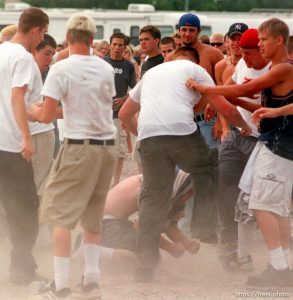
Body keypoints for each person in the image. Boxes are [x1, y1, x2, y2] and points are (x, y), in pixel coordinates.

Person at [119, 46, 251, 282]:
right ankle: (203, 228)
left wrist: (144, 134)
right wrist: (244, 126)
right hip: (181, 132)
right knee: (208, 166)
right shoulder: (195, 69)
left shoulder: (152, 73)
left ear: (171, 57)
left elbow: (124, 114)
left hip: (150, 137)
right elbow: (226, 108)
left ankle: (146, 264)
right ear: (196, 62)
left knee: (153, 198)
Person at [186, 18, 293, 288]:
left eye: (263, 41)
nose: (260, 45)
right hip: (274, 143)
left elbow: (246, 88)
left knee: (261, 205)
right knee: (274, 207)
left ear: (279, 40)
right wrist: (233, 100)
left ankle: (279, 267)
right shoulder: (283, 68)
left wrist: (205, 88)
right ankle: (283, 264)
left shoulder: (282, 68)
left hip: (278, 145)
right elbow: (249, 97)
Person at [29, 13, 116, 299]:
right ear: (92, 40)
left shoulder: (61, 69)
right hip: (107, 148)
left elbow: (45, 115)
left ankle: (61, 286)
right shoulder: (104, 68)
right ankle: (92, 281)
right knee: (93, 216)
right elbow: (96, 105)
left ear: (68, 38)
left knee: (60, 217)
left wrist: (27, 107)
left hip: (78, 147)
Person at [214, 29, 270, 270]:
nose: (244, 58)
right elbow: (227, 88)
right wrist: (214, 102)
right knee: (226, 190)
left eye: (249, 53)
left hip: (261, 141)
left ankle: (266, 254)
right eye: (242, 53)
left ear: (262, 49)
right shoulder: (241, 66)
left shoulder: (274, 69)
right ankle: (229, 246)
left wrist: (218, 95)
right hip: (236, 138)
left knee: (254, 199)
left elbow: (237, 95)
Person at [0, 7, 48, 285]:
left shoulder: (1, 50)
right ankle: (21, 269)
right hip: (10, 144)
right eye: (42, 34)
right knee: (26, 208)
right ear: (36, 30)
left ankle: (20, 265)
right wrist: (27, 137)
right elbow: (18, 97)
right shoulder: (23, 58)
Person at [166, 13, 224, 242]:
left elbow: (222, 88)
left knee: (209, 174)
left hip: (207, 122)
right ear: (178, 31)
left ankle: (209, 227)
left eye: (191, 30)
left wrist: (220, 119)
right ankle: (187, 226)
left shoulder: (212, 53)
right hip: (182, 123)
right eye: (184, 29)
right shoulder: (170, 58)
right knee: (183, 176)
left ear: (198, 32)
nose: (187, 34)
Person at [75, 170, 200, 261]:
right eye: (189, 192)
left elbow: (168, 224)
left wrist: (186, 242)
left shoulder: (168, 185)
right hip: (104, 223)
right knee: (137, 259)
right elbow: (142, 228)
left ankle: (91, 246)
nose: (190, 197)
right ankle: (88, 251)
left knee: (150, 257)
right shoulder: (159, 190)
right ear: (182, 186)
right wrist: (171, 248)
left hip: (109, 221)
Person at [104, 32, 136, 186]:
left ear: (125, 47)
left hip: (119, 115)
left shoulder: (128, 66)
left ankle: (116, 184)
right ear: (110, 45)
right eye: (114, 44)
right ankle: (102, 183)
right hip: (101, 115)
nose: (117, 48)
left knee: (119, 152)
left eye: (120, 45)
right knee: (102, 151)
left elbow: (135, 90)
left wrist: (123, 99)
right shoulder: (102, 63)